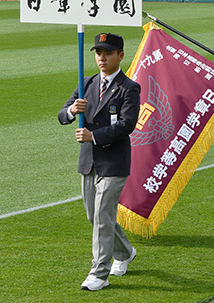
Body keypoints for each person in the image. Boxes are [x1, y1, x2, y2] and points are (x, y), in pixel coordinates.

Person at [58, 33, 140, 291]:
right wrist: (73, 111)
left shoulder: (129, 88)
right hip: (89, 162)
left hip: (114, 162)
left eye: (107, 53)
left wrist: (94, 136)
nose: (102, 58)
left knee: (104, 215)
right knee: (95, 217)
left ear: (120, 56)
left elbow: (127, 125)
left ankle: (99, 273)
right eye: (98, 53)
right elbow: (62, 115)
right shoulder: (87, 83)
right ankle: (125, 252)